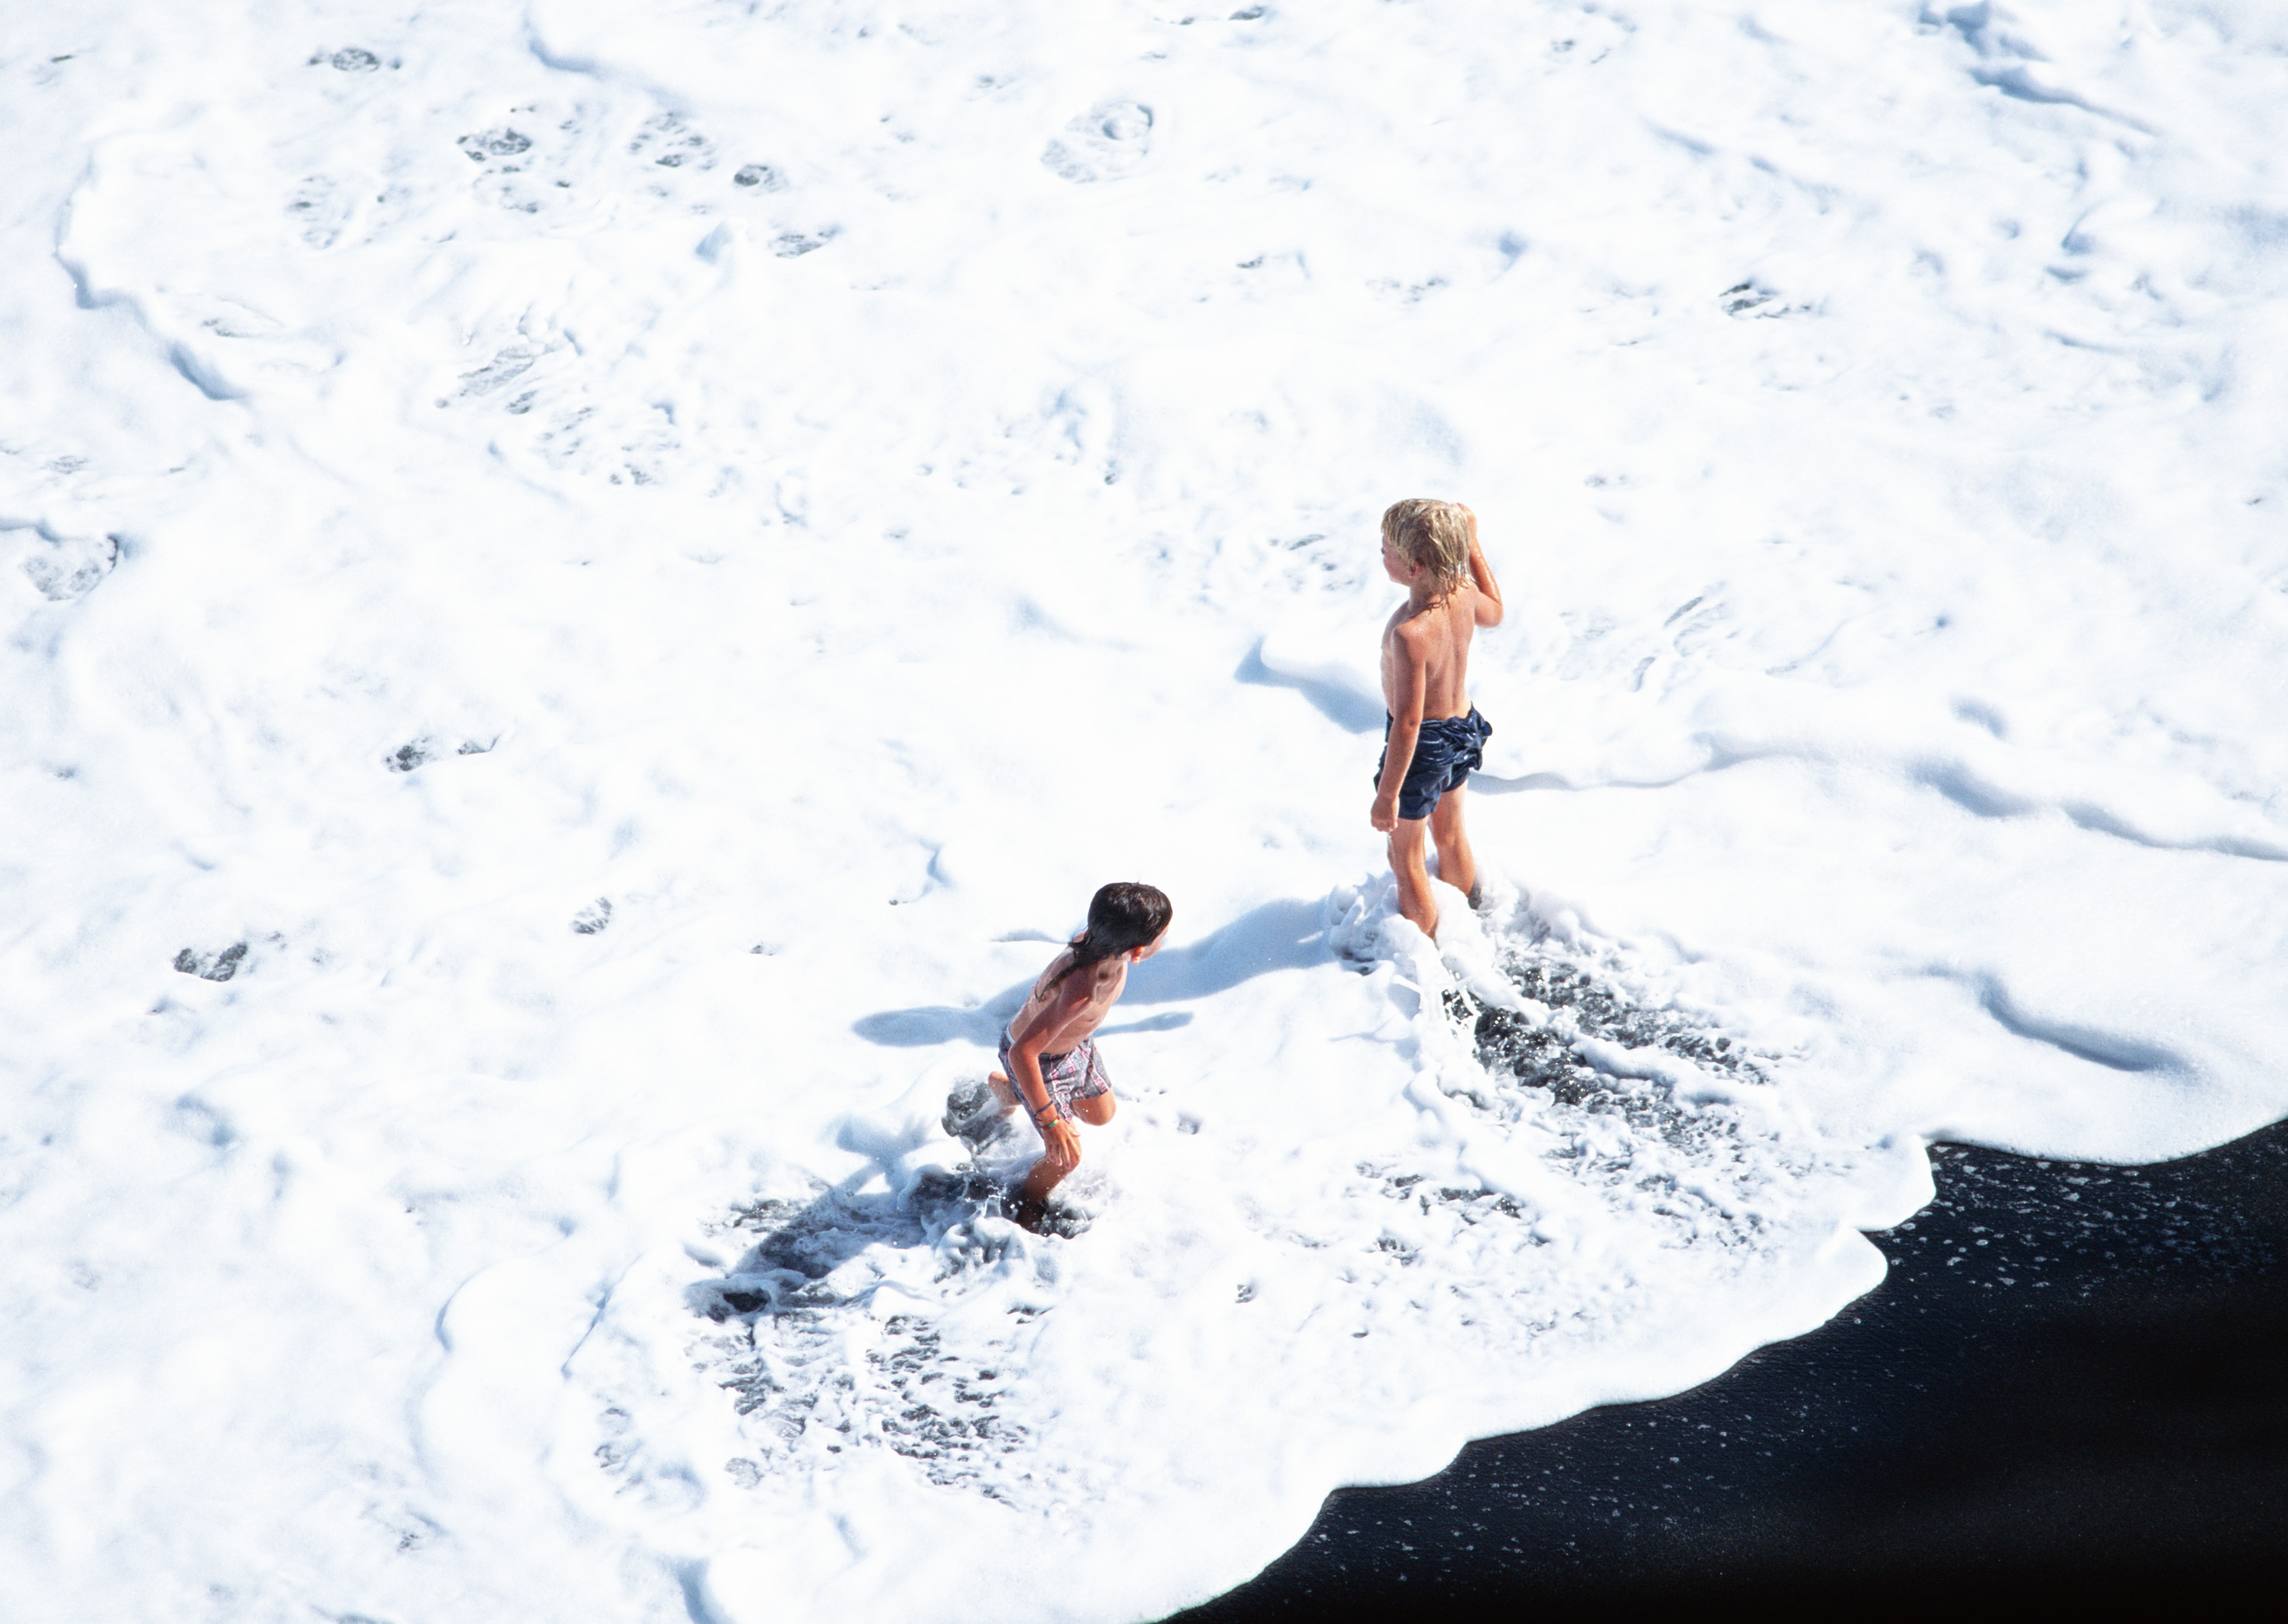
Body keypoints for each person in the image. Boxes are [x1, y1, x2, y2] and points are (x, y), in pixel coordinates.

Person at [983, 882, 1173, 1231]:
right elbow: (1022, 1051)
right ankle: (1028, 1202)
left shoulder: (1104, 940)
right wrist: (1051, 1123)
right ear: (1138, 951)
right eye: (1163, 936)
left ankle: (1010, 1090)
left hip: (1074, 1044)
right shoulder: (1082, 991)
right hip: (1033, 1058)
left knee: (1102, 1116)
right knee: (1065, 1159)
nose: (1164, 942)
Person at [1370, 499, 1504, 940]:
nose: (1381, 553)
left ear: (1414, 567)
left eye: (1388, 548)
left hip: (1422, 746)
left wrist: (1388, 795)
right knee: (1449, 834)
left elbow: (1408, 723)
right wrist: (1473, 545)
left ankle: (1433, 953)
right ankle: (1471, 924)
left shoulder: (1412, 633)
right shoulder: (1462, 594)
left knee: (1405, 859)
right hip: (1463, 728)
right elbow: (1495, 614)